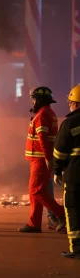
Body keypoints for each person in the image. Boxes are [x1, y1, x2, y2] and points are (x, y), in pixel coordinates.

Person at [18, 86, 65, 233]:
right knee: (34, 192)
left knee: (36, 191)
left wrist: (47, 157)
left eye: (34, 99)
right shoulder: (48, 113)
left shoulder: (42, 115)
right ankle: (34, 224)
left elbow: (43, 139)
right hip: (37, 159)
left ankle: (62, 215)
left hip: (40, 159)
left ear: (39, 99)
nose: (32, 102)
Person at [53, 85, 80, 258]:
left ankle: (76, 249)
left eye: (70, 102)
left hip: (75, 174)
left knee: (73, 210)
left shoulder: (70, 122)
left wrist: (57, 170)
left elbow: (60, 151)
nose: (69, 105)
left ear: (76, 103)